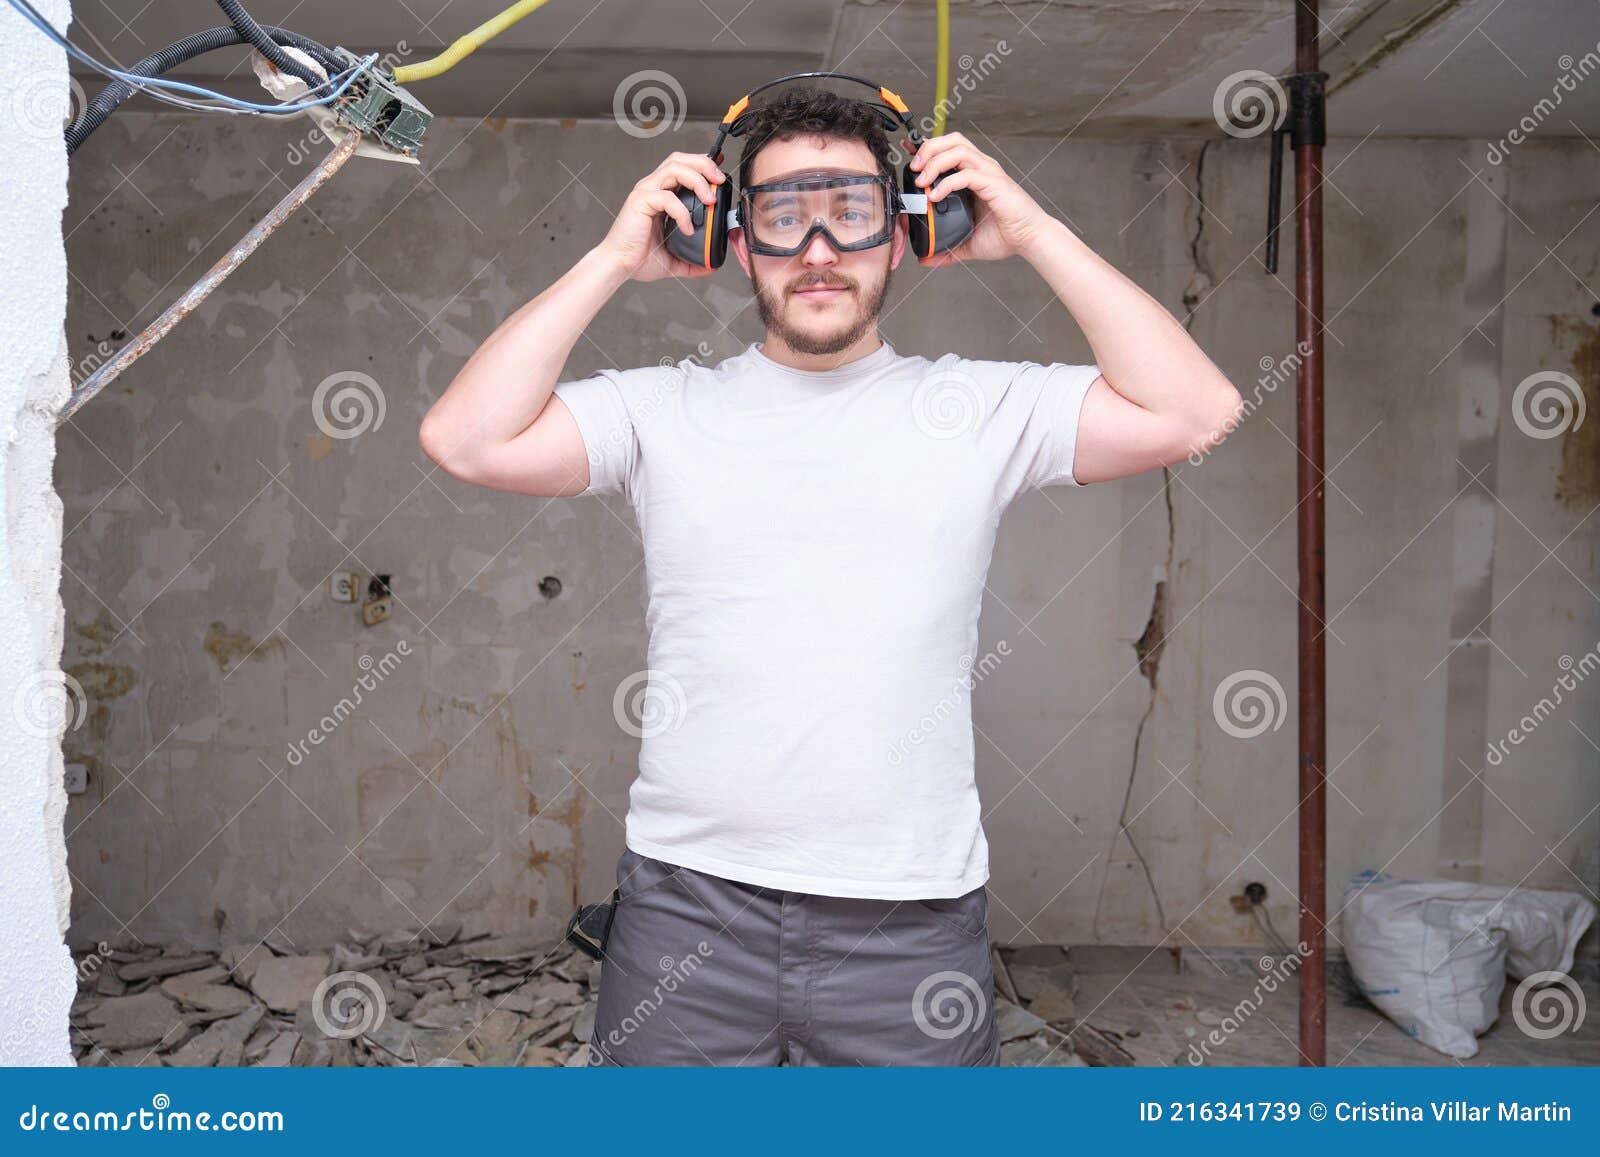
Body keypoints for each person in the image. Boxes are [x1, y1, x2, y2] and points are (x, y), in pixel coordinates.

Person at [419, 85, 1242, 1066]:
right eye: (781, 215)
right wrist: (608, 261)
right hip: (688, 908)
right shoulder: (661, 411)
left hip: (908, 917)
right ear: (731, 239)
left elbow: (1197, 411)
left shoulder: (975, 405)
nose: (817, 249)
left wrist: (1032, 229)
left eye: (850, 213)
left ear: (904, 235)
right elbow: (462, 438)